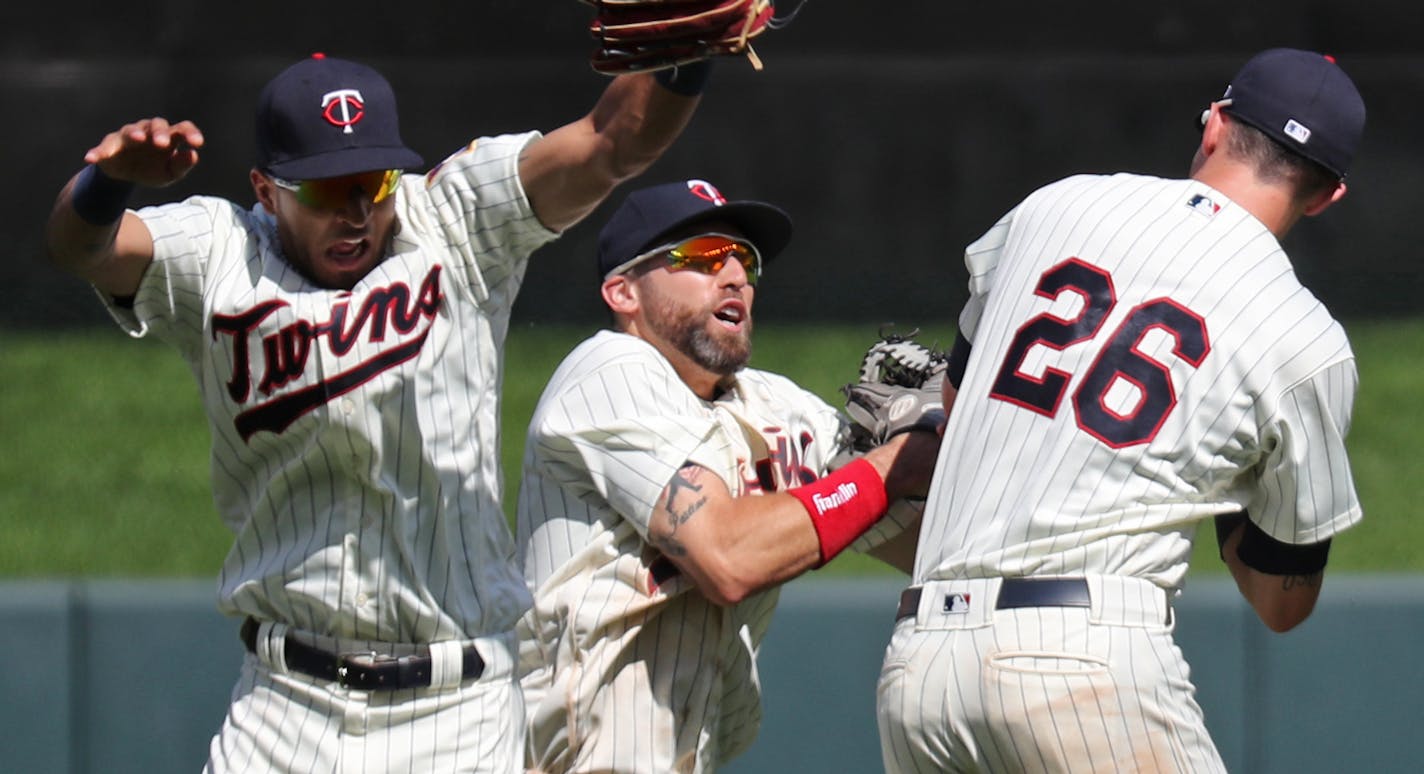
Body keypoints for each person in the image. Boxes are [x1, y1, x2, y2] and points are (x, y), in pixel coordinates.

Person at [44, 51, 714, 773]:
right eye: (327, 189)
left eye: (374, 181)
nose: (358, 211)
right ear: (266, 191)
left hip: (459, 713)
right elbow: (83, 247)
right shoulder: (218, 254)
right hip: (284, 708)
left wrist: (689, 59)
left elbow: (612, 142)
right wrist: (108, 183)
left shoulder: (454, 222)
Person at [876, 48, 1367, 773]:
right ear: (1328, 196)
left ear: (1215, 127)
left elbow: (957, 400)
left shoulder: (1057, 203)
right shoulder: (1306, 343)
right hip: (1086, 664)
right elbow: (1281, 604)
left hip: (920, 671)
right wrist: (1230, 483)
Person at [514, 178, 940, 773]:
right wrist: (895, 465)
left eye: (746, 260)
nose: (735, 273)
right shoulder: (606, 372)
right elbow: (728, 558)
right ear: (622, 292)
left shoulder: (775, 406)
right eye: (704, 256)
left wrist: (955, 433)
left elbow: (924, 542)